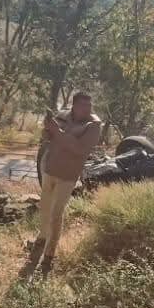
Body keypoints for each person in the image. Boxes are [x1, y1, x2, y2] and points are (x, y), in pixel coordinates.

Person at [27, 92, 103, 275]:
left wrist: (57, 132)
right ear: (74, 105)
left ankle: (49, 255)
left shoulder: (94, 126)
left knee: (56, 214)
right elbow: (48, 138)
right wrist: (47, 129)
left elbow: (80, 149)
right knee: (45, 207)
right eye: (83, 105)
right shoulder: (62, 116)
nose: (87, 109)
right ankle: (41, 238)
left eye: (89, 106)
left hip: (68, 176)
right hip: (50, 169)